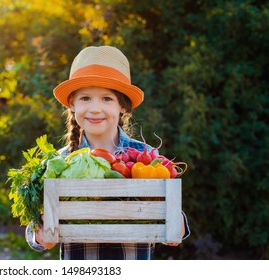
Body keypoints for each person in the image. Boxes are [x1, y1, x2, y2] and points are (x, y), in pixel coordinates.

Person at [25, 45, 190, 260]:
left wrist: (177, 225)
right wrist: (39, 235)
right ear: (72, 105)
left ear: (122, 106)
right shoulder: (59, 162)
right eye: (85, 98)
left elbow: (173, 216)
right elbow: (35, 227)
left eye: (106, 99)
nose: (95, 108)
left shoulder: (146, 157)